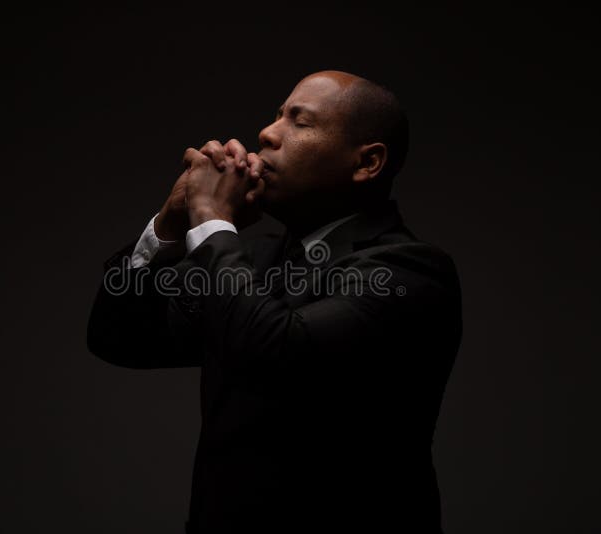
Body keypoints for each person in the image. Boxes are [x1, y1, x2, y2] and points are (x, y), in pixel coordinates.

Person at [86, 70, 462, 533]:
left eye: (299, 122)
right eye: (276, 116)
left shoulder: (409, 273)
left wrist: (211, 219)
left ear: (367, 162)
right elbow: (119, 336)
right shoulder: (254, 260)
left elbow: (275, 351)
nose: (266, 133)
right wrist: (169, 224)